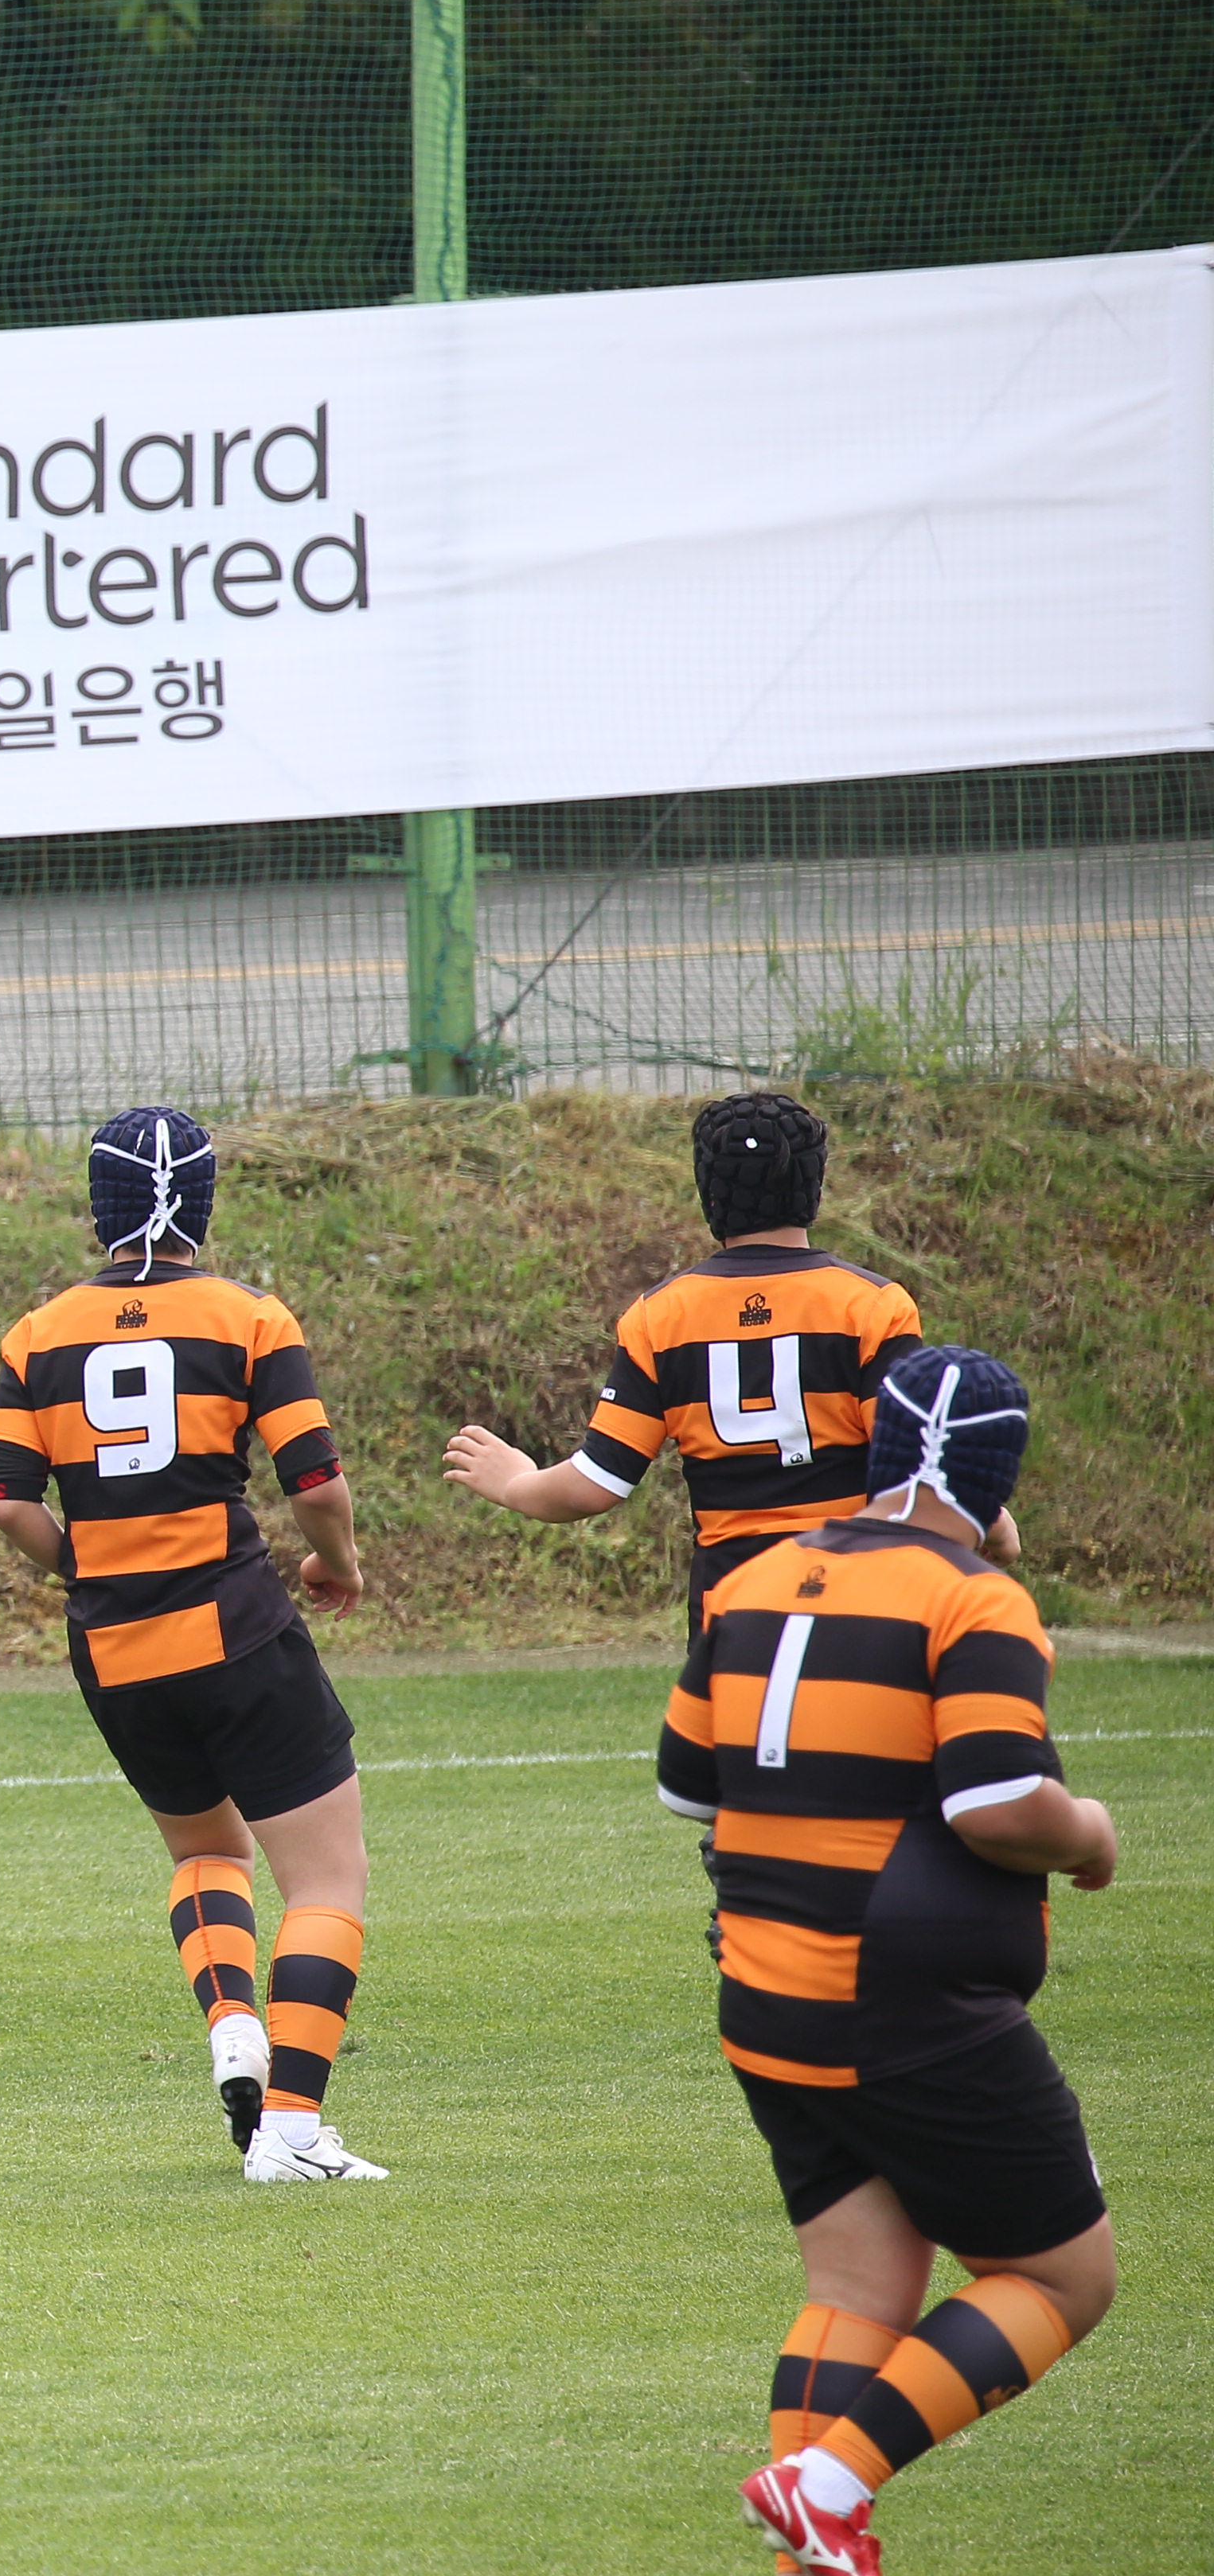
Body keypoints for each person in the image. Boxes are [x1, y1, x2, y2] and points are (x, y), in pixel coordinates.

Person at [665, 1348, 1118, 2574]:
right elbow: (998, 1802)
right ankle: (824, 2486)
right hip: (912, 2011)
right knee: (1062, 2277)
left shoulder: (757, 1576)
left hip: (767, 1993)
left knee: (857, 2289)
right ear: (999, 1477)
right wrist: (1089, 1834)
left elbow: (685, 1784)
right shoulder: (973, 1599)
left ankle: (807, 2545)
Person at [0, 1106, 381, 2181]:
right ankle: (292, 2132)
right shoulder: (247, 1318)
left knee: (207, 1854)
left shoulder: (38, 1334)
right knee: (327, 1882)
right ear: (202, 1203)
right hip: (236, 1630)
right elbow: (315, 1482)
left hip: (116, 1647)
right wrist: (338, 1563)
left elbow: (11, 1506)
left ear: (98, 1206)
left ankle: (235, 2029)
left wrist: (92, 1570)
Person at [441, 1092, 991, 1630]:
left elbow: (596, 1482)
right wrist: (994, 1524)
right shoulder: (872, 1306)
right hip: (861, 1600)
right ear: (814, 1184)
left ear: (709, 1190)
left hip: (732, 1608)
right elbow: (916, 1469)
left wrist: (516, 1483)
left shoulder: (661, 1318)